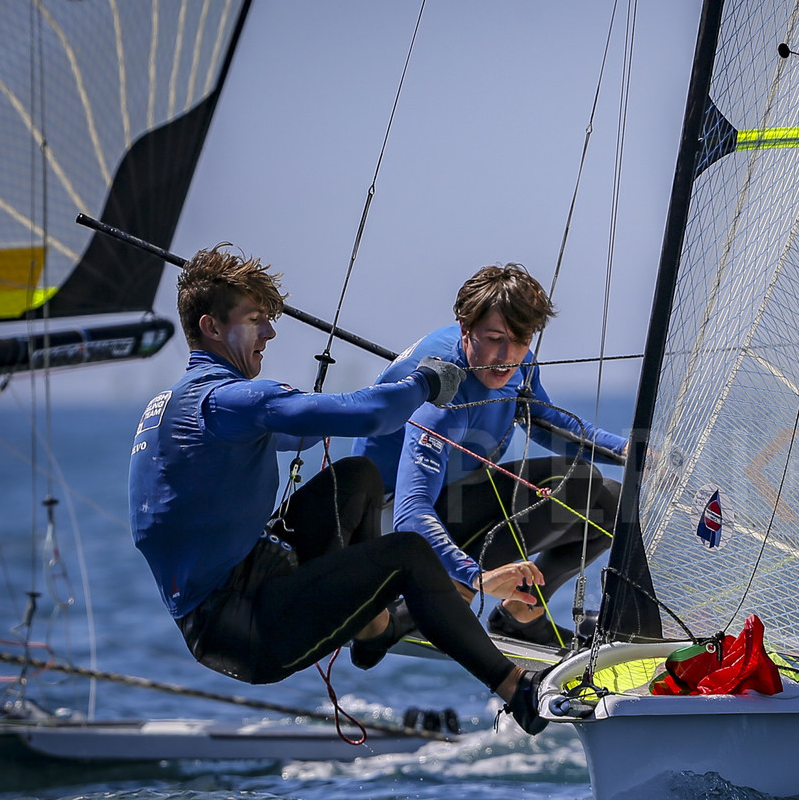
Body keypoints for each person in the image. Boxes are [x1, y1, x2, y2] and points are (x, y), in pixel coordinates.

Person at [129, 246, 548, 734]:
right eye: (255, 320)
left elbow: (306, 430)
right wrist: (424, 382)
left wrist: (345, 401)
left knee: (357, 476)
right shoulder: (229, 401)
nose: (269, 332)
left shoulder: (181, 402)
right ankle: (517, 690)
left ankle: (372, 625)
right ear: (212, 327)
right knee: (407, 553)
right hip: (242, 628)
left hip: (250, 583)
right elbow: (371, 416)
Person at [356, 264, 627, 647]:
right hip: (390, 518)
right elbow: (411, 510)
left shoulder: (519, 362)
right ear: (465, 328)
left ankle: (522, 615)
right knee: (577, 482)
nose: (506, 356)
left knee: (609, 501)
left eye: (520, 341)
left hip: (451, 495)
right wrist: (475, 577)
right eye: (495, 338)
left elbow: (543, 420)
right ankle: (425, 608)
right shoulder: (440, 393)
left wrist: (629, 451)